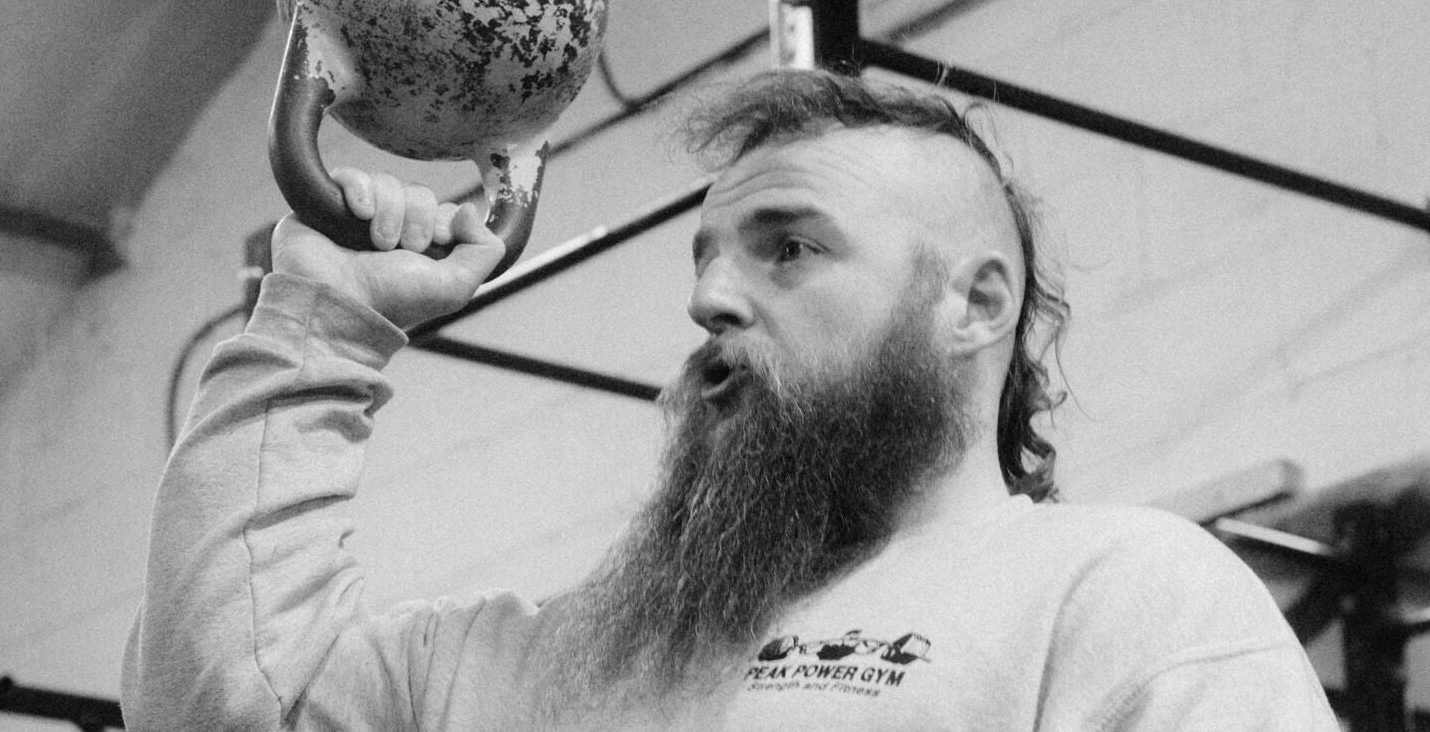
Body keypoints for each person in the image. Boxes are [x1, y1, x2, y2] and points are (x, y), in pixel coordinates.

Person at [122, 69, 1338, 730]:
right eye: (704, 257)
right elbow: (222, 708)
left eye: (789, 248)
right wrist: (323, 315)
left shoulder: (1123, 595)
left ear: (976, 306)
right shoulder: (541, 664)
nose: (711, 299)